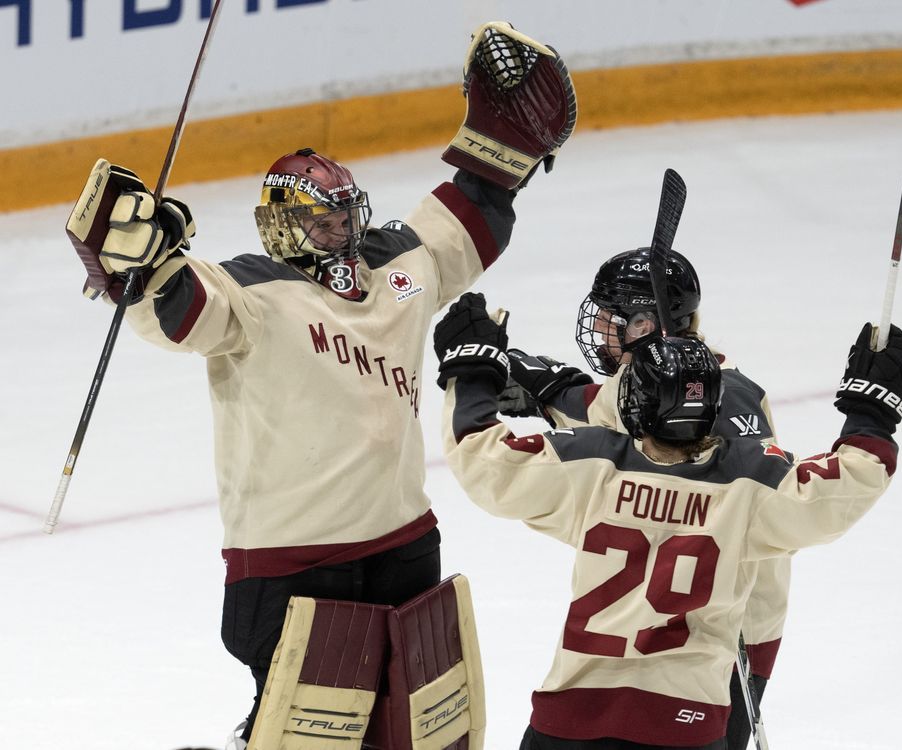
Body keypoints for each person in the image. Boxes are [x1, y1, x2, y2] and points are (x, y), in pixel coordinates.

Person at [64, 21, 576, 747]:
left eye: (344, 214)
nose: (339, 228)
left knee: (409, 734)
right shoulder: (249, 293)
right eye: (321, 219)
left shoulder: (398, 268)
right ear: (280, 225)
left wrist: (505, 150)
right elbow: (178, 309)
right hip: (290, 563)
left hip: (403, 544)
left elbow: (472, 216)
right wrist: (141, 267)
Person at [433, 291, 902, 749]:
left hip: (569, 721)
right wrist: (871, 411)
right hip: (686, 727)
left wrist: (472, 372)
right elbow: (851, 481)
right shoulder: (751, 485)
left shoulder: (592, 466)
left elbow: (483, 459)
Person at [498, 246, 785, 749]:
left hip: (719, 637)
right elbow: (605, 411)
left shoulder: (717, 405)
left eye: (613, 318)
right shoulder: (686, 383)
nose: (603, 328)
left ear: (647, 322)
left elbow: (611, 430)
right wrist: (549, 388)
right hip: (672, 632)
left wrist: (540, 392)